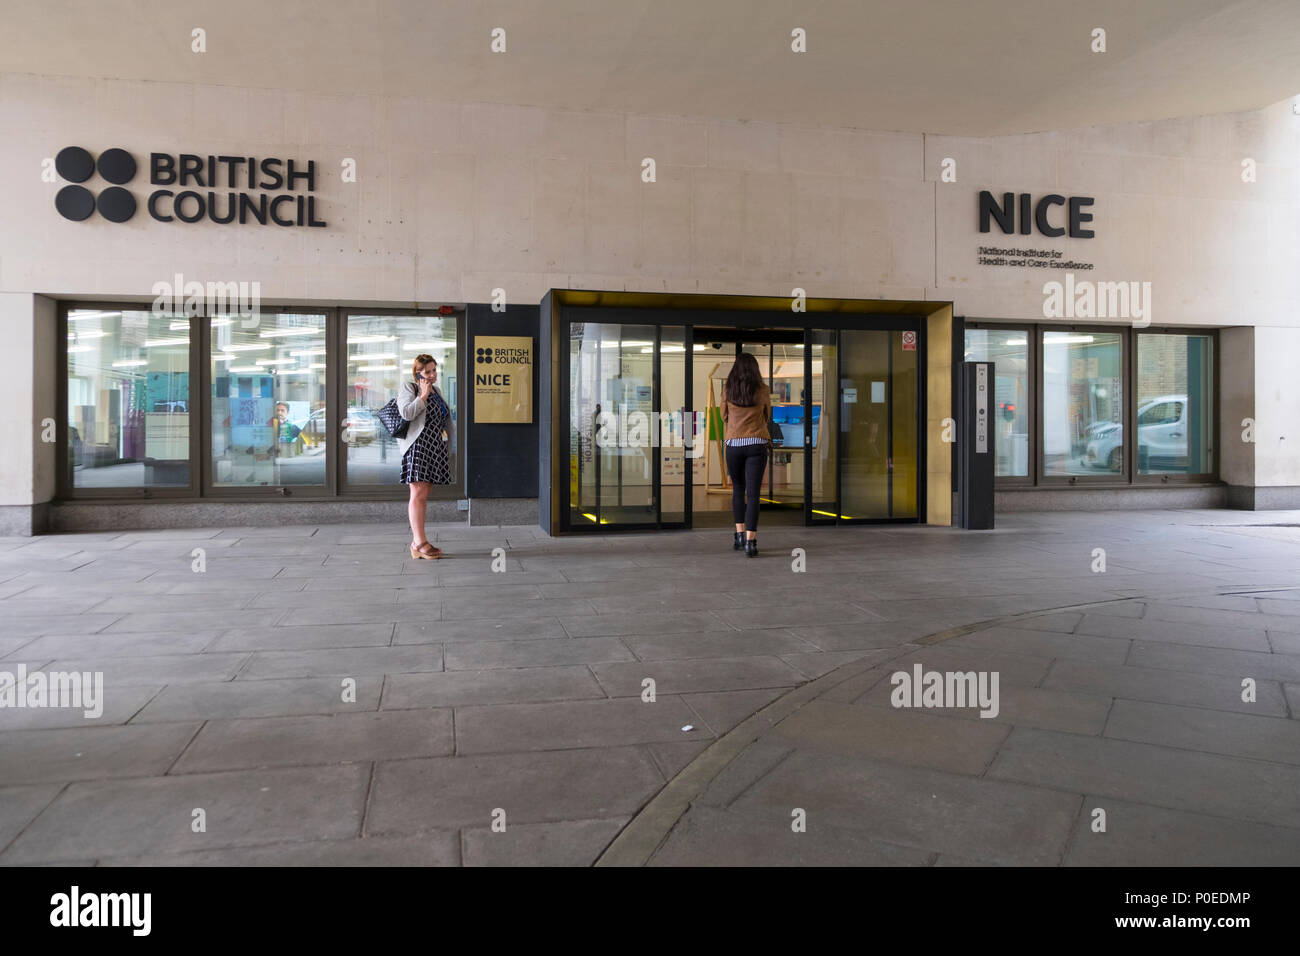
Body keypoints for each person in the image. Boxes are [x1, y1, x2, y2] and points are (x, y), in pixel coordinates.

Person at [397, 353, 452, 559]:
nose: (431, 375)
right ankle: (419, 543)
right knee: (418, 494)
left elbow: (444, 420)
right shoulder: (409, 388)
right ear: (417, 373)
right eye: (427, 371)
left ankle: (418, 542)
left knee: (423, 495)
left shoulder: (437, 391)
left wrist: (448, 447)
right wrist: (422, 396)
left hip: (434, 447)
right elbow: (406, 414)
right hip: (417, 447)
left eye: (434, 370)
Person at [721, 352, 771, 558]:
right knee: (753, 494)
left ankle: (739, 535)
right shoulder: (763, 390)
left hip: (733, 443)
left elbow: (723, 415)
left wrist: (735, 426)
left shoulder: (728, 389)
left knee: (738, 489)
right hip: (757, 443)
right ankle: (751, 542)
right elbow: (768, 415)